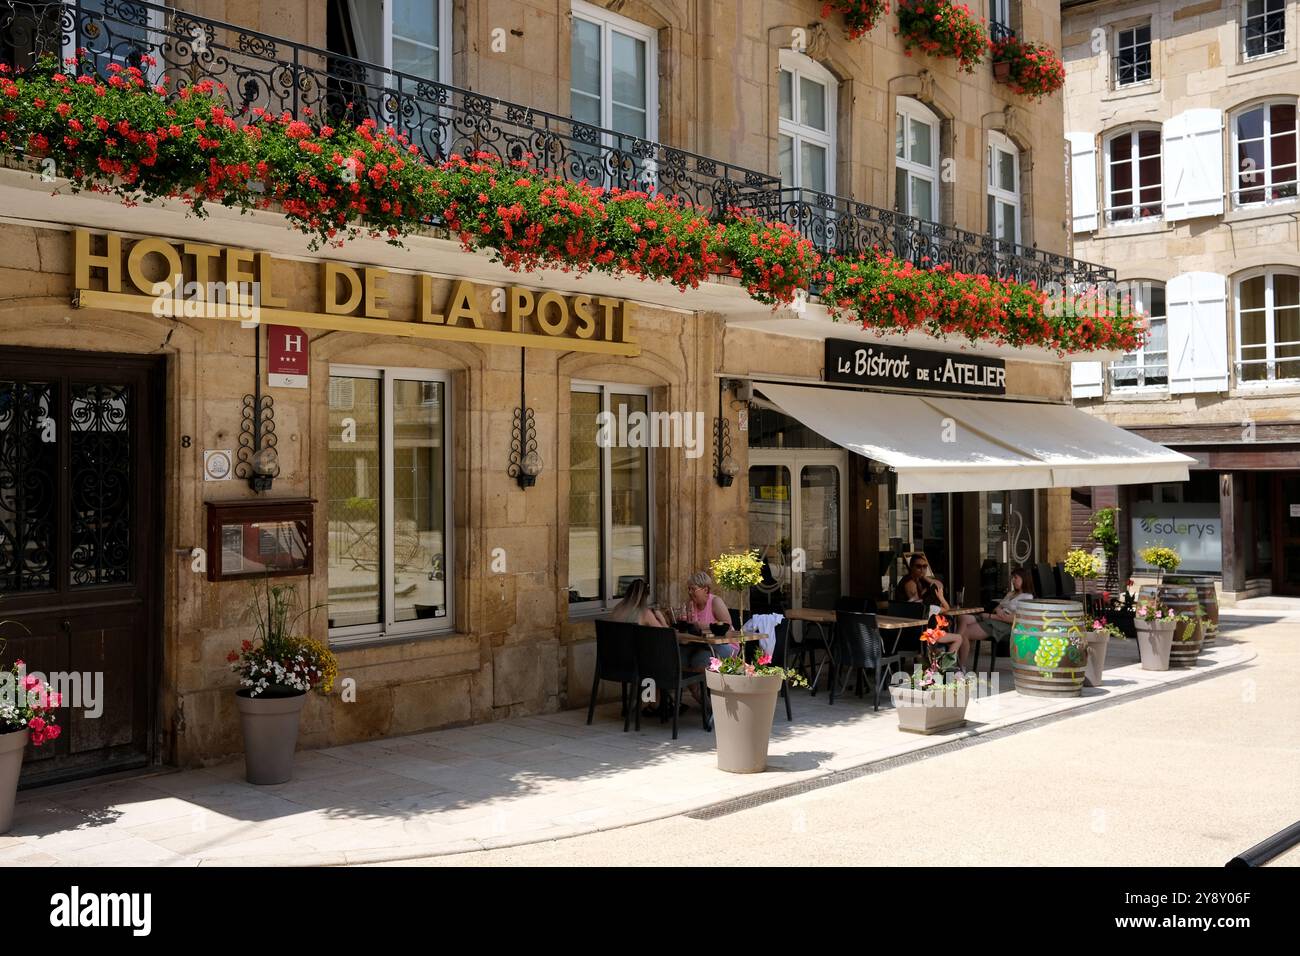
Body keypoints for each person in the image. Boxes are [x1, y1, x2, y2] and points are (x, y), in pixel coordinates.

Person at [957, 565, 1034, 666]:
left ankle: (959, 665)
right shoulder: (1011, 594)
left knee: (965, 633)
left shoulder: (1027, 597)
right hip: (994, 619)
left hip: (1003, 626)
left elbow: (1015, 619)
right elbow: (997, 608)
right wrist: (998, 612)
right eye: (1012, 578)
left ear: (1024, 579)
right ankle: (955, 648)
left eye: (1016, 578)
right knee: (962, 617)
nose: (1013, 580)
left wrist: (991, 616)